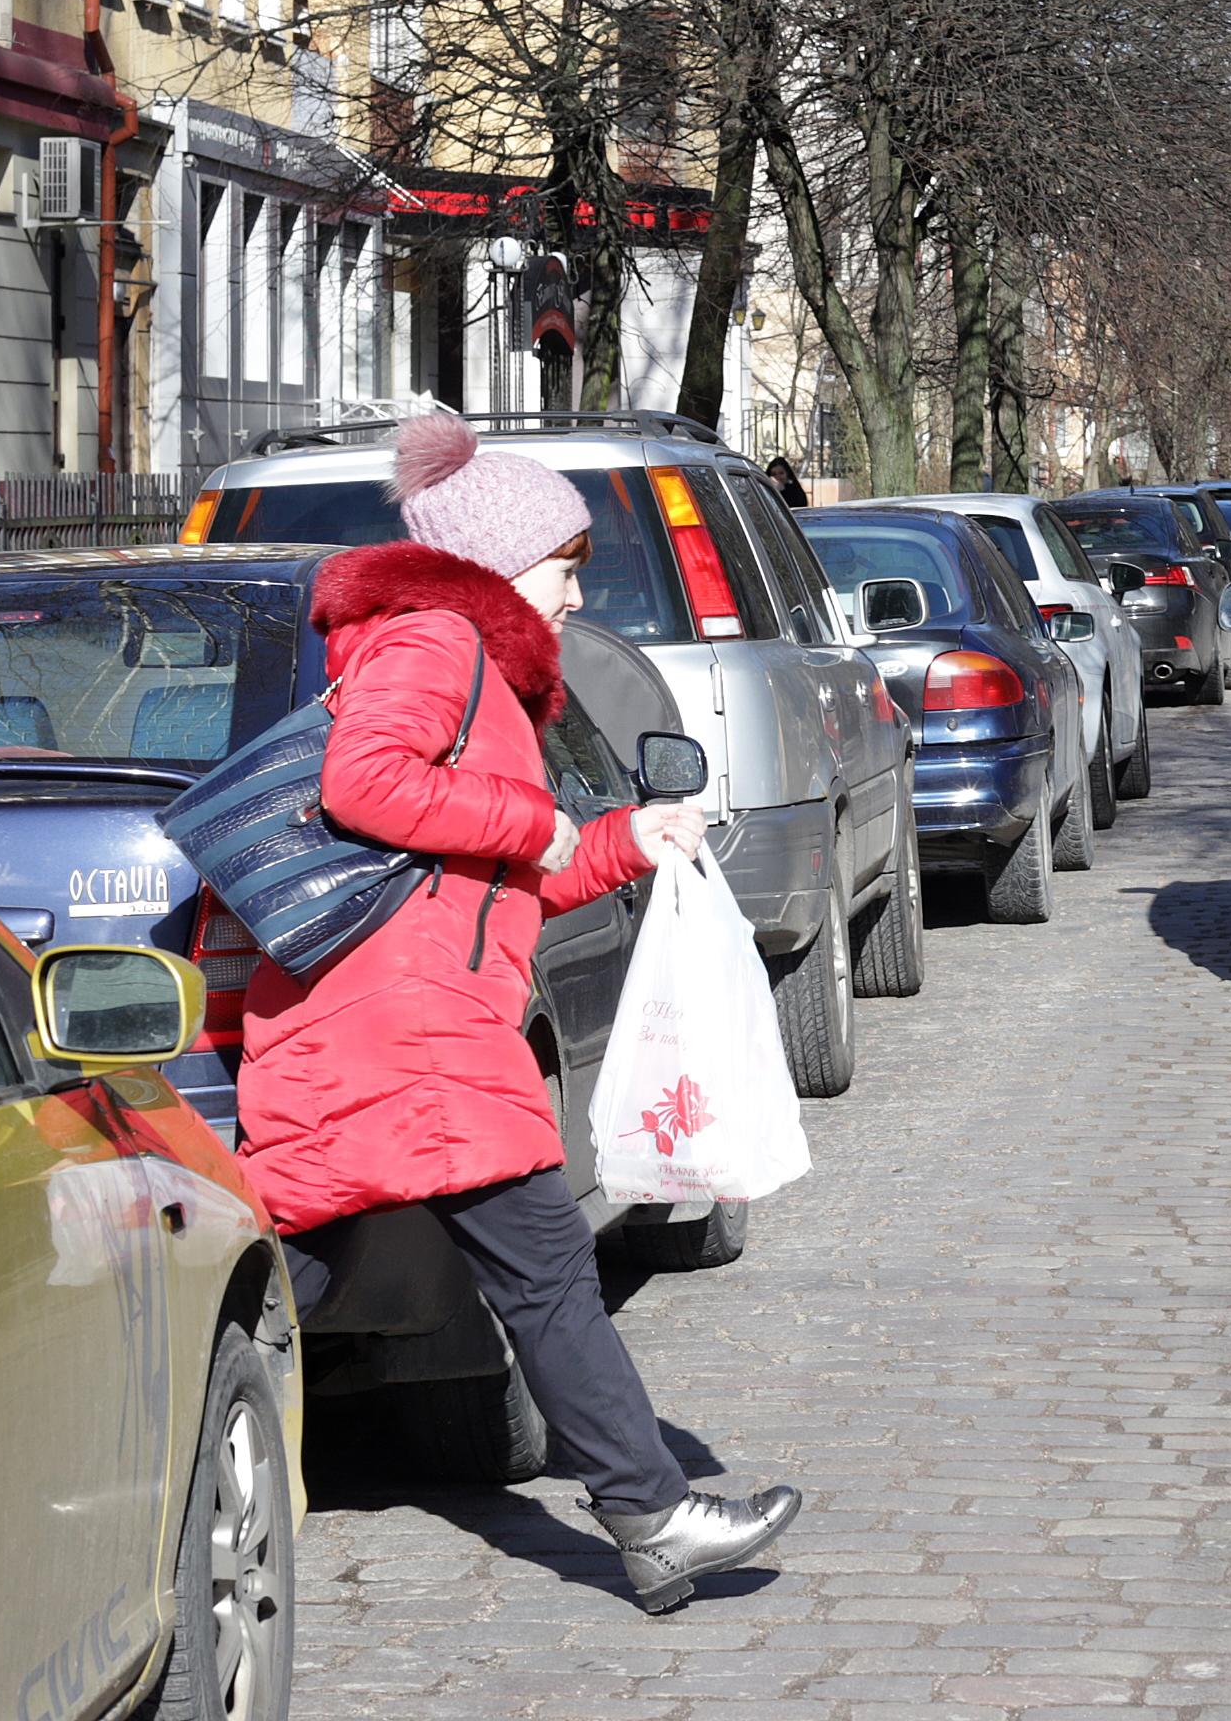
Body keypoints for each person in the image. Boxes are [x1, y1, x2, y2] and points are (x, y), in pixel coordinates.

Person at [237, 407, 801, 1614]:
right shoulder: (434, 640)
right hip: (410, 1021)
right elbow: (367, 782)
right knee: (539, 1267)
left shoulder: (466, 657)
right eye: (563, 564)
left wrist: (620, 838)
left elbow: (498, 872)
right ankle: (651, 1513)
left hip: (405, 1016)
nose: (573, 591)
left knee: (288, 1267)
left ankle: (130, 1432)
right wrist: (539, 822)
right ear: (498, 560)